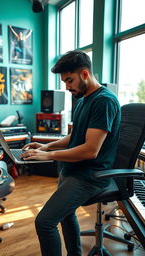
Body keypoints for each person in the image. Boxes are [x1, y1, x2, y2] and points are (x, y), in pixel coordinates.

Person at [21, 50, 121, 256]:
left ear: (85, 74)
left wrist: (48, 156)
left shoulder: (104, 101)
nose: (66, 87)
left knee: (44, 222)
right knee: (66, 215)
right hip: (74, 170)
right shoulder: (82, 100)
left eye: (69, 80)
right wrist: (45, 146)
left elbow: (90, 150)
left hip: (91, 176)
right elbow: (74, 137)